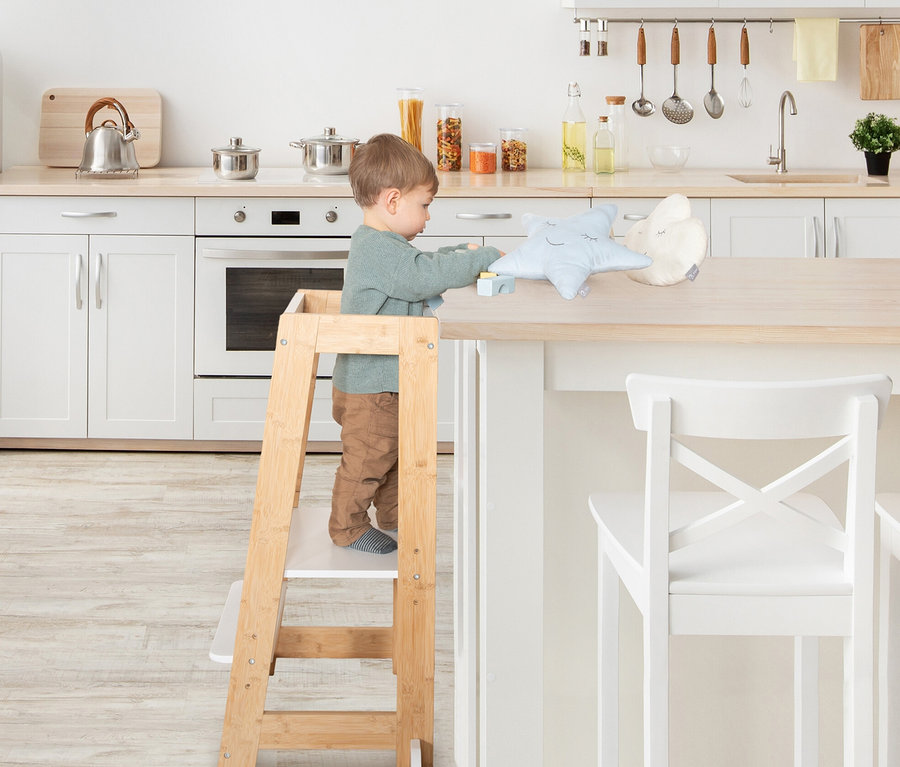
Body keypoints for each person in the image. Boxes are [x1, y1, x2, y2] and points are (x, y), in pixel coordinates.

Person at [330, 133, 501, 554]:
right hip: (373, 389)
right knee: (370, 460)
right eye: (423, 206)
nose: (427, 218)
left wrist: (459, 251)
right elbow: (420, 277)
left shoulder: (385, 246)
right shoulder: (377, 249)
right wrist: (481, 258)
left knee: (395, 456)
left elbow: (419, 266)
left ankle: (393, 517)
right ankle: (347, 527)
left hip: (387, 384)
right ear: (392, 201)